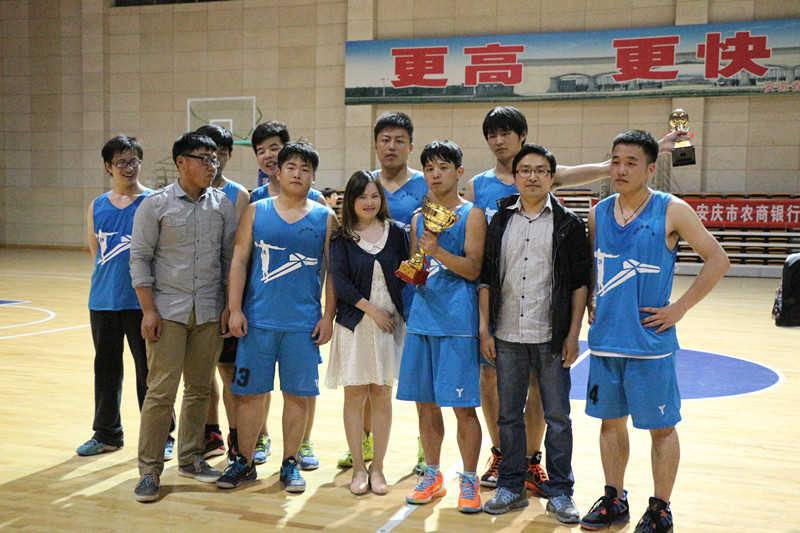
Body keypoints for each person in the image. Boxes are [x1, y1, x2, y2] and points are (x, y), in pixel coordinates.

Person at [464, 105, 688, 495]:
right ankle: (501, 453)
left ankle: (532, 458)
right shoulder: (477, 186)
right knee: (489, 377)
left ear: (523, 137)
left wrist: (657, 146)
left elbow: (608, 167)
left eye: (506, 133)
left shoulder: (543, 172)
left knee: (539, 385)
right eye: (492, 134)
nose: (499, 141)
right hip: (498, 300)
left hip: (543, 303)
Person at [579, 130, 729, 533]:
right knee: (610, 425)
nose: (620, 169)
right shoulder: (598, 212)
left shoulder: (672, 209)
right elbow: (594, 266)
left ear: (650, 168)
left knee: (661, 429)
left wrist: (679, 308)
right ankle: (614, 500)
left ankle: (661, 509)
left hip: (650, 344)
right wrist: (592, 296)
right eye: (615, 161)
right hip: (606, 341)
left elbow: (718, 259)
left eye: (631, 163)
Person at [479, 143, 591, 523]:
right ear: (515, 177)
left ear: (551, 177)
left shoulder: (569, 224)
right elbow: (486, 278)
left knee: (558, 418)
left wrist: (573, 334)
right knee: (509, 416)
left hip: (551, 336)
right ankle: (511, 486)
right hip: (507, 334)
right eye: (525, 170)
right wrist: (485, 329)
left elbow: (579, 284)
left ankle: (560, 492)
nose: (532, 176)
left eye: (540, 170)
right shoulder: (499, 220)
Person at [217, 141, 337, 493]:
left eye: (305, 169)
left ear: (313, 177)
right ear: (278, 172)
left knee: (297, 396)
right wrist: (235, 308)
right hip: (257, 322)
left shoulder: (325, 217)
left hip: (302, 325)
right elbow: (239, 261)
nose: (297, 174)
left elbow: (334, 272)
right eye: (291, 167)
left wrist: (328, 316)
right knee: (251, 394)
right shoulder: (256, 210)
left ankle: (290, 463)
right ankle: (244, 461)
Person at [129, 132, 238, 503]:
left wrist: (228, 306)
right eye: (204, 159)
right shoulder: (155, 204)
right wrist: (148, 310)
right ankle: (149, 469)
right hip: (168, 313)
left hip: (208, 311)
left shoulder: (222, 205)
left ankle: (191, 458)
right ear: (181, 162)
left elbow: (229, 260)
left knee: (200, 389)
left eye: (214, 159)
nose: (212, 165)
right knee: (161, 391)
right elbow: (139, 259)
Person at [335, 111, 428, 472]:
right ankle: (364, 442)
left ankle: (426, 447)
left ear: (410, 146)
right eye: (385, 140)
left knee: (414, 381)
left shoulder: (425, 186)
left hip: (410, 300)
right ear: (375, 145)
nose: (392, 146)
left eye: (399, 140)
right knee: (365, 379)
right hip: (365, 301)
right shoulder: (365, 184)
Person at [397, 140, 486, 514]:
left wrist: (438, 252)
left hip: (457, 324)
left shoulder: (472, 215)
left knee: (463, 408)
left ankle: (469, 479)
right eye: (429, 168)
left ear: (459, 172)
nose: (435, 174)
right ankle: (432, 475)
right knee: (425, 406)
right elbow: (419, 269)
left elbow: (473, 269)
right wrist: (414, 268)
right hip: (422, 321)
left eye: (443, 167)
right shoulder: (419, 218)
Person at [79, 135, 169, 457]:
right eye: (121, 162)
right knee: (106, 370)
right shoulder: (97, 205)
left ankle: (161, 436)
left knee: (149, 372)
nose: (128, 168)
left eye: (133, 161)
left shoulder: (154, 201)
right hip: (103, 301)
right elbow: (97, 254)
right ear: (108, 166)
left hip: (142, 303)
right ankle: (107, 434)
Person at [247, 121, 325, 469]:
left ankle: (302, 443)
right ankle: (258, 439)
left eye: (274, 148)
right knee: (257, 384)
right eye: (261, 150)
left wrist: (325, 312)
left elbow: (326, 265)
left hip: (301, 314)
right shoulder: (254, 202)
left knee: (301, 387)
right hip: (262, 312)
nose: (268, 155)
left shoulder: (318, 205)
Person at [326, 171, 409, 495]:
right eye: (362, 196)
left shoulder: (397, 232)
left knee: (382, 395)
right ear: (352, 201)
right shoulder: (341, 237)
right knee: (355, 395)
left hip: (390, 325)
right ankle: (359, 468)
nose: (369, 202)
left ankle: (378, 468)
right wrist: (373, 311)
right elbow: (341, 282)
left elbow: (407, 272)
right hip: (355, 324)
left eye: (375, 196)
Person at [192, 125, 251, 461]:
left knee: (228, 371)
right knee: (199, 373)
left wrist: (233, 302)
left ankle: (236, 436)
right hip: (193, 298)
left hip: (225, 297)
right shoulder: (181, 194)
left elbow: (238, 252)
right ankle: (209, 432)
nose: (215, 160)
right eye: (208, 153)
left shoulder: (238, 194)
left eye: (222, 153)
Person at [250, 121, 327, 207]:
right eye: (261, 152)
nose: (267, 156)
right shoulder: (254, 197)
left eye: (274, 149)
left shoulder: (315, 199)